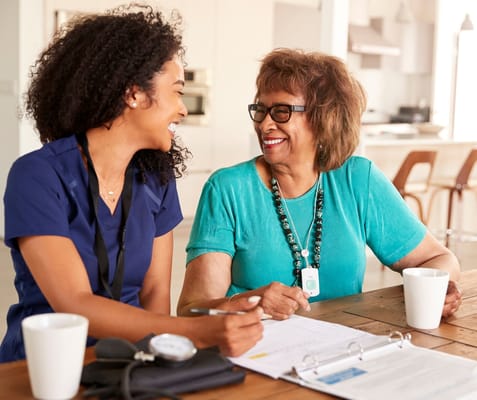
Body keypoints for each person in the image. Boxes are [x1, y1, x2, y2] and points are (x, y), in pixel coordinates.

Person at [0, 4, 263, 363]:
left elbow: (155, 292)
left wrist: (160, 359)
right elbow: (74, 302)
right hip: (43, 366)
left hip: (130, 362)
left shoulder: (156, 177)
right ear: (134, 94)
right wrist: (196, 333)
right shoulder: (36, 176)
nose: (182, 108)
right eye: (176, 91)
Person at [177, 48, 462, 321]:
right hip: (256, 351)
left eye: (281, 112)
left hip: (345, 350)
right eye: (261, 110)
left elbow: (439, 259)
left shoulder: (357, 180)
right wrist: (248, 303)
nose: (264, 125)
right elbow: (193, 309)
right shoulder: (228, 189)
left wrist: (440, 289)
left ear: (323, 118)